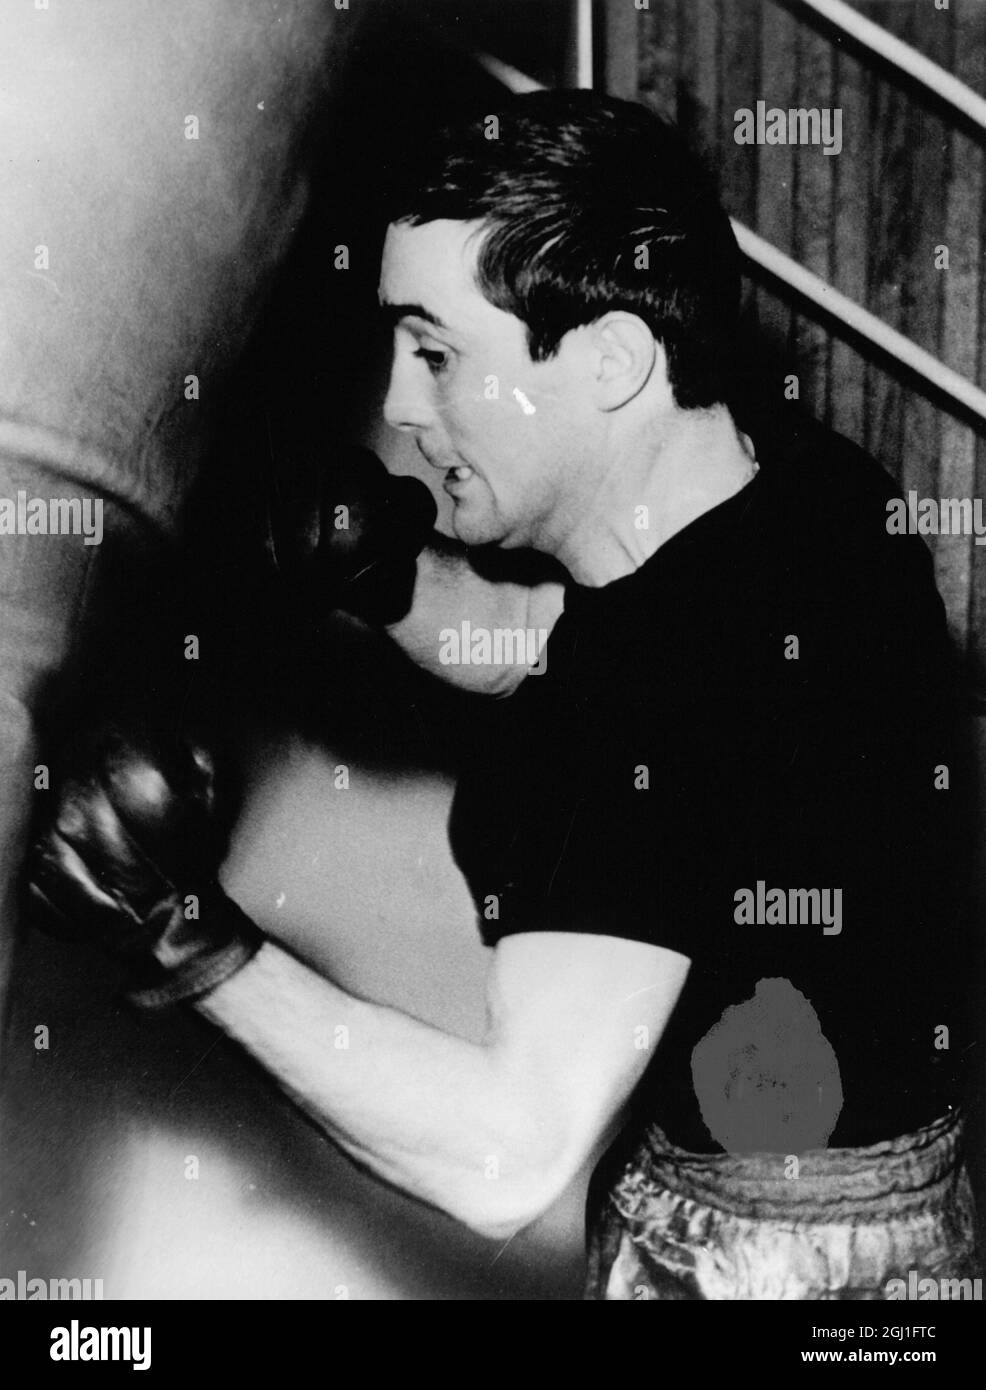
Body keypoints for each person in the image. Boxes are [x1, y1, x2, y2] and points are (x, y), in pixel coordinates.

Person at [28, 91, 979, 1300]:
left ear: (611, 359)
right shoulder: (798, 495)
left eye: (435, 353)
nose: (402, 410)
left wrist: (185, 937)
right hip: (900, 1235)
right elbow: (542, 634)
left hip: (754, 1271)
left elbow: (508, 1149)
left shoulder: (652, 702)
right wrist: (384, 574)